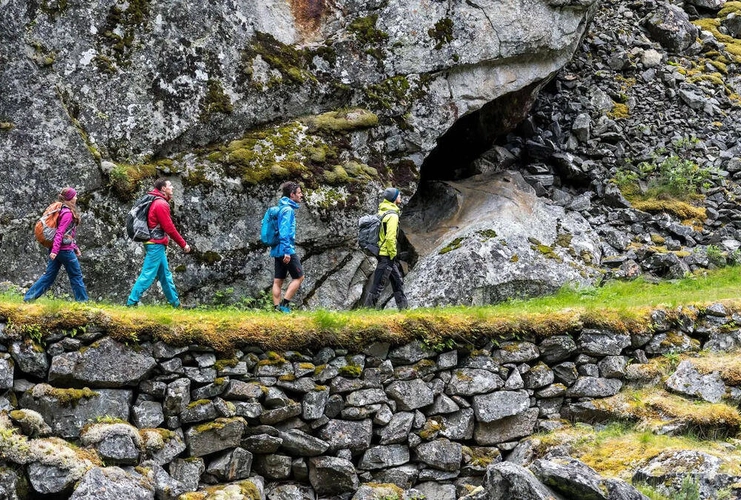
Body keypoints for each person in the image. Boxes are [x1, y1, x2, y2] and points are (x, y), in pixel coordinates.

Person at [127, 178, 191, 307]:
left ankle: (176, 304)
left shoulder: (155, 201)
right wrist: (183, 244)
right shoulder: (161, 204)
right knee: (148, 274)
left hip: (156, 244)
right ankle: (131, 303)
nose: (172, 187)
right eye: (170, 185)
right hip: (155, 244)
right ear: (163, 189)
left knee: (165, 275)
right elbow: (169, 228)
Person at [24, 187, 89, 302]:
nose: (76, 197)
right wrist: (55, 251)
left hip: (58, 249)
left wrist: (75, 247)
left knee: (49, 276)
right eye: (74, 196)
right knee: (76, 276)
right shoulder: (67, 213)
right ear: (69, 198)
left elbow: (68, 234)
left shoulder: (62, 210)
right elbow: (60, 232)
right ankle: (83, 302)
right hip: (64, 251)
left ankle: (28, 298)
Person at [364, 187, 408, 309]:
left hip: (381, 252)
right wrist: (393, 254)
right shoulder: (392, 215)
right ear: (394, 198)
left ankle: (404, 311)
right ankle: (367, 312)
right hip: (387, 254)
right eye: (398, 195)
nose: (400, 197)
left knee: (397, 282)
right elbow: (390, 237)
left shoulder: (382, 211)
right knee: (378, 285)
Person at [271, 181, 305, 313]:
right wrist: (286, 251)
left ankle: (276, 308)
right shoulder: (288, 210)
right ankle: (285, 305)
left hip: (277, 250)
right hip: (286, 249)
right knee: (299, 277)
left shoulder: (281, 208)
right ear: (292, 195)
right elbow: (284, 232)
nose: (301, 195)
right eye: (299, 193)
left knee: (278, 280)